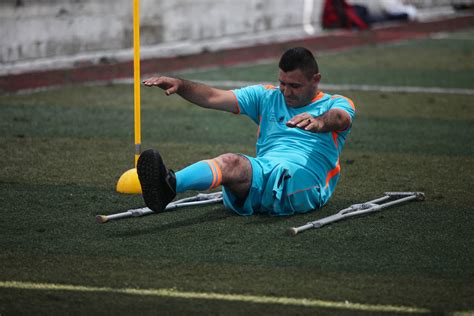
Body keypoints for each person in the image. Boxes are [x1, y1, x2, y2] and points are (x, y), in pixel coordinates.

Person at [138, 47, 356, 216]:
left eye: (295, 86)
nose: (286, 91)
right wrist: (180, 84)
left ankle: (266, 197)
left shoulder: (336, 104)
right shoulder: (266, 96)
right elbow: (213, 97)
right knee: (231, 162)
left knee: (283, 172)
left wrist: (318, 122)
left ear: (315, 80)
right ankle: (168, 186)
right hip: (264, 171)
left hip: (305, 183)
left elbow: (340, 118)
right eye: (282, 83)